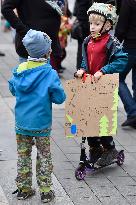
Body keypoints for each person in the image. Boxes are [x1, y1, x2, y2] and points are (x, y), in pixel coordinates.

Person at [8, 29, 66, 203]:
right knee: (44, 156)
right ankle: (46, 191)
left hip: (22, 124)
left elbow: (12, 88)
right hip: (41, 125)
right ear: (47, 52)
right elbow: (59, 97)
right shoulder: (49, 73)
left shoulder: (19, 69)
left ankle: (24, 189)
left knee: (23, 156)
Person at [75, 2, 128, 166]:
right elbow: (85, 61)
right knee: (88, 119)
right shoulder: (87, 41)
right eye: (91, 23)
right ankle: (95, 147)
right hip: (90, 84)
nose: (92, 27)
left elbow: (122, 60)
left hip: (105, 86)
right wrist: (82, 70)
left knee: (102, 120)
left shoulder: (111, 42)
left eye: (97, 24)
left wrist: (104, 70)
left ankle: (110, 148)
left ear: (108, 24)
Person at [1, 0, 65, 70]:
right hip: (32, 45)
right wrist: (24, 30)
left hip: (50, 45)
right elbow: (6, 9)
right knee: (30, 79)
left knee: (48, 78)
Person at [115, 0, 136, 127]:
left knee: (116, 77)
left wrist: (115, 45)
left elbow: (121, 27)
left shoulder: (129, 2)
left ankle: (133, 112)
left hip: (131, 46)